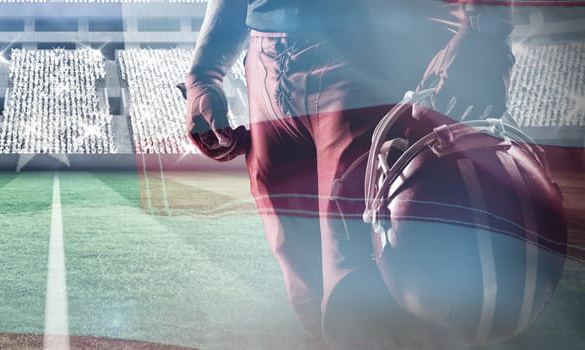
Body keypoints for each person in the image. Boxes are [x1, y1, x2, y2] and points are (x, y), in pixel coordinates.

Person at [180, 1, 515, 348]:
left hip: (379, 49)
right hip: (266, 59)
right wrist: (204, 73)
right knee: (308, 298)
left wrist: (485, 29)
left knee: (371, 298)